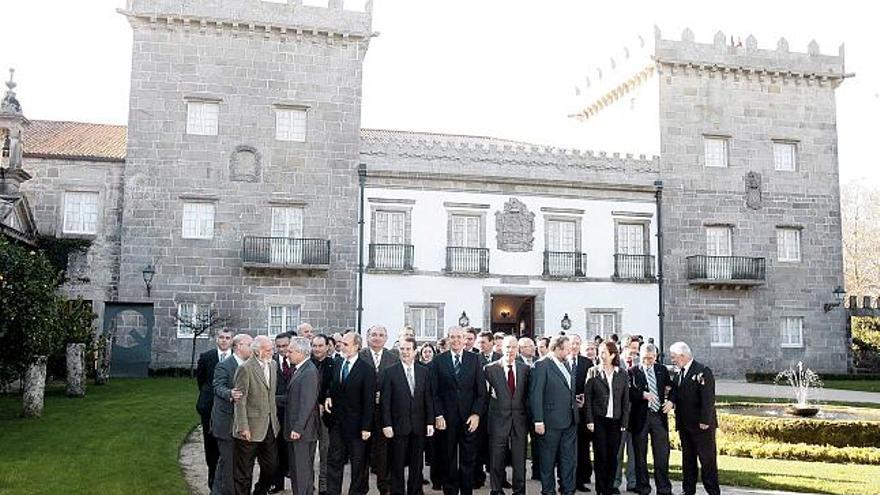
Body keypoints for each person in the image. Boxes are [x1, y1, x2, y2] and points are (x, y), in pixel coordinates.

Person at [432, 326, 488, 495]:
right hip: (447, 418)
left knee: (468, 458)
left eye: (459, 337)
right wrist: (439, 414)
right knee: (448, 457)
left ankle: (466, 491)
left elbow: (481, 392)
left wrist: (476, 414)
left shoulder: (475, 359)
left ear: (465, 339)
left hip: (469, 418)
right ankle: (450, 490)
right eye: (452, 337)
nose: (455, 340)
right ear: (448, 339)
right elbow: (434, 392)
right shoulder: (438, 360)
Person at [381, 336, 435, 495]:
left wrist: (430, 423)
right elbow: (385, 402)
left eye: (407, 349)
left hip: (419, 426)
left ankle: (415, 491)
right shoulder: (390, 372)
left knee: (417, 464)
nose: (404, 352)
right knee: (397, 464)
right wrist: (387, 424)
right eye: (402, 349)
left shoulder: (424, 372)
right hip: (397, 427)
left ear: (415, 351)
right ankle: (397, 492)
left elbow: (428, 399)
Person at [324, 332, 376, 495]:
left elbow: (369, 401)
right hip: (337, 423)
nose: (341, 346)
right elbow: (332, 386)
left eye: (346, 344)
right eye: (341, 343)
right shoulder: (338, 363)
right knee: (334, 461)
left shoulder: (366, 369)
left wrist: (367, 427)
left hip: (358, 426)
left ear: (356, 346)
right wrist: (328, 396)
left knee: (358, 464)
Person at [529, 335, 579, 495]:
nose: (570, 351)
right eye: (567, 349)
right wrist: (538, 420)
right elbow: (536, 394)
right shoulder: (541, 365)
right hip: (549, 423)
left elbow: (565, 388)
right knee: (547, 462)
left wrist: (575, 400)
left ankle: (568, 490)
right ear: (556, 348)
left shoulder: (567, 364)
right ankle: (548, 491)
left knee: (568, 460)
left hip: (570, 420)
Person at [668, 342, 719, 495]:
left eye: (674, 357)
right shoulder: (679, 373)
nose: (673, 360)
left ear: (683, 356)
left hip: (701, 426)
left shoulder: (702, 371)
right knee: (688, 460)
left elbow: (708, 399)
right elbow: (676, 392)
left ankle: (713, 491)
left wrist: (705, 421)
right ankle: (688, 490)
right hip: (685, 426)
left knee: (707, 460)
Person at [233, 335, 280, 495]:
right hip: (249, 429)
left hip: (270, 426)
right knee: (244, 472)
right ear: (258, 351)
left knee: (272, 467)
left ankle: (259, 491)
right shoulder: (245, 368)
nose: (272, 352)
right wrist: (243, 427)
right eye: (269, 350)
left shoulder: (273, 365)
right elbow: (240, 400)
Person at [484, 335, 530, 495]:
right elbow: (485, 396)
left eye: (513, 347)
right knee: (496, 459)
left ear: (518, 350)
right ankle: (496, 490)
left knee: (519, 460)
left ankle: (519, 491)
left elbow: (527, 396)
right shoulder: (490, 369)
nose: (510, 350)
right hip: (497, 421)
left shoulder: (525, 369)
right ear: (501, 348)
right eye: (507, 347)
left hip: (519, 421)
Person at [584, 342, 630, 495]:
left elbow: (625, 400)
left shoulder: (622, 373)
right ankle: (601, 489)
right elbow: (588, 399)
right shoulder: (593, 371)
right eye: (600, 352)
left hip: (615, 421)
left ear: (613, 355)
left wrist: (624, 422)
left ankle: (610, 487)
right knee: (601, 455)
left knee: (613, 456)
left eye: (604, 352)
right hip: (599, 420)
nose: (601, 355)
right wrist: (589, 420)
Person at [628, 343, 673, 495]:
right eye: (645, 358)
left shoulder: (661, 370)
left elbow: (671, 387)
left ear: (656, 357)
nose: (648, 361)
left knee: (662, 454)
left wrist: (670, 401)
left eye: (651, 358)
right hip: (640, 417)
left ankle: (664, 489)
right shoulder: (632, 371)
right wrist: (642, 395)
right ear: (639, 356)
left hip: (658, 416)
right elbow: (628, 393)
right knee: (640, 455)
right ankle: (643, 487)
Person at [211, 333, 253, 495]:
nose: (253, 348)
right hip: (226, 422)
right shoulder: (224, 365)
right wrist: (230, 393)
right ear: (239, 346)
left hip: (241, 423)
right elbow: (217, 386)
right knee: (228, 463)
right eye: (250, 344)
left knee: (229, 463)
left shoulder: (250, 365)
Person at [360, 325, 400, 495]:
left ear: (386, 338)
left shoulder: (393, 357)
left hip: (385, 412)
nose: (377, 338)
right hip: (362, 412)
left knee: (384, 452)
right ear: (368, 337)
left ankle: (384, 486)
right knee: (362, 451)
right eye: (374, 335)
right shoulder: (360, 356)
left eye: (381, 335)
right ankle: (361, 487)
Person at [282, 337, 321, 495]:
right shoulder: (301, 369)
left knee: (301, 472)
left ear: (301, 352)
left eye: (290, 351)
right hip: (299, 430)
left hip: (302, 432)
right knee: (299, 472)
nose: (287, 354)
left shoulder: (309, 372)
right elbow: (292, 398)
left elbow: (307, 403)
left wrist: (298, 428)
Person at [196, 329, 233, 491]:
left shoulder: (237, 358)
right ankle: (212, 480)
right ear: (216, 339)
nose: (224, 341)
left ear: (232, 340)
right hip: (209, 408)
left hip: (229, 408)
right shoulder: (206, 357)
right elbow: (201, 381)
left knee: (228, 446)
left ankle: (228, 482)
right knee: (210, 445)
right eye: (221, 337)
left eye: (227, 338)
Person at [613, 337, 641, 494]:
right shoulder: (616, 365)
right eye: (632, 348)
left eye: (637, 348)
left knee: (634, 452)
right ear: (624, 348)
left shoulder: (639, 365)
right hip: (620, 416)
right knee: (618, 451)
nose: (635, 352)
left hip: (636, 416)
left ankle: (632, 482)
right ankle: (615, 482)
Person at [474, 330, 500, 487]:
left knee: (497, 445)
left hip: (497, 409)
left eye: (483, 342)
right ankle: (477, 477)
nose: (480, 345)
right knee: (477, 444)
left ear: (492, 342)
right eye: (479, 342)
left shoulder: (500, 358)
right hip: (480, 409)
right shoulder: (474, 359)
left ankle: (499, 478)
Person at [567, 335, 592, 493]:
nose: (574, 346)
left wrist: (585, 400)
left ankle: (580, 480)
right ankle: (566, 480)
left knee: (582, 448)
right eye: (572, 343)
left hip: (582, 413)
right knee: (566, 449)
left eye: (577, 343)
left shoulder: (586, 363)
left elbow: (591, 386)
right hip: (565, 411)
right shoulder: (561, 361)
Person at [311, 334, 335, 495]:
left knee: (325, 452)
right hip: (308, 415)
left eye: (320, 346)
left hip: (326, 416)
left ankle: (324, 487)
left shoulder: (335, 364)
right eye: (315, 346)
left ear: (328, 347)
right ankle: (308, 484)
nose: (317, 349)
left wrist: (325, 399)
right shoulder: (306, 364)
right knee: (308, 452)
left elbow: (334, 387)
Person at [270, 332, 293, 493]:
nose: (282, 349)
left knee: (295, 450)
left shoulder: (300, 362)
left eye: (285, 346)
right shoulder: (270, 363)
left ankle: (302, 483)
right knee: (276, 450)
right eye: (278, 346)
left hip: (294, 414)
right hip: (276, 414)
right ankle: (277, 484)